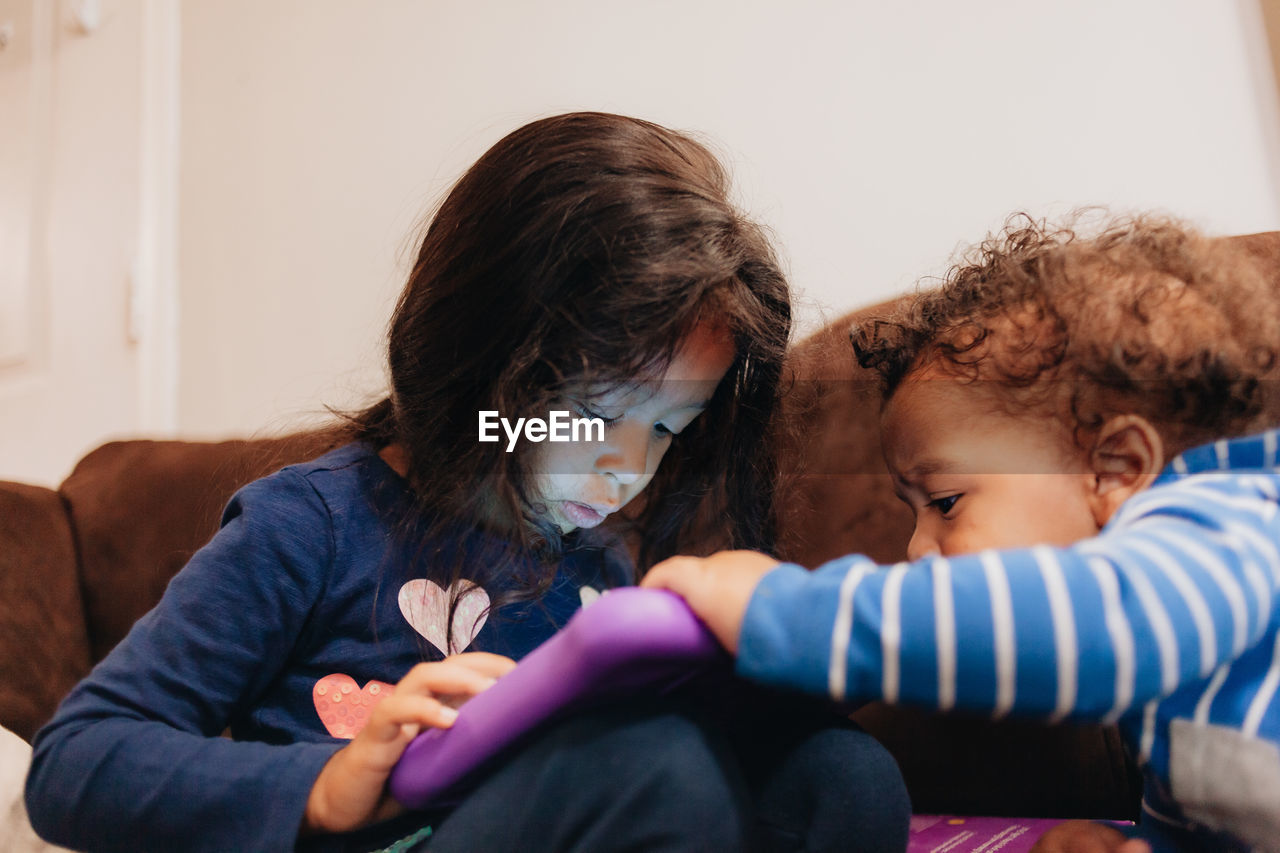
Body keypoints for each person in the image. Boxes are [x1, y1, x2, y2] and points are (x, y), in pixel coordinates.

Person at [25, 112, 909, 853]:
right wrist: (329, 786)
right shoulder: (310, 523)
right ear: (480, 356)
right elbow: (75, 760)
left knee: (843, 776)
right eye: (596, 416)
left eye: (666, 432)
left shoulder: (601, 558)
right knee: (657, 766)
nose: (626, 466)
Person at [644, 214, 1280, 852]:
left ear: (1115, 468)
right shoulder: (1185, 660)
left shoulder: (1232, 531)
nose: (917, 549)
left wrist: (782, 612)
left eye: (947, 502)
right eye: (913, 512)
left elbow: (1080, 627)